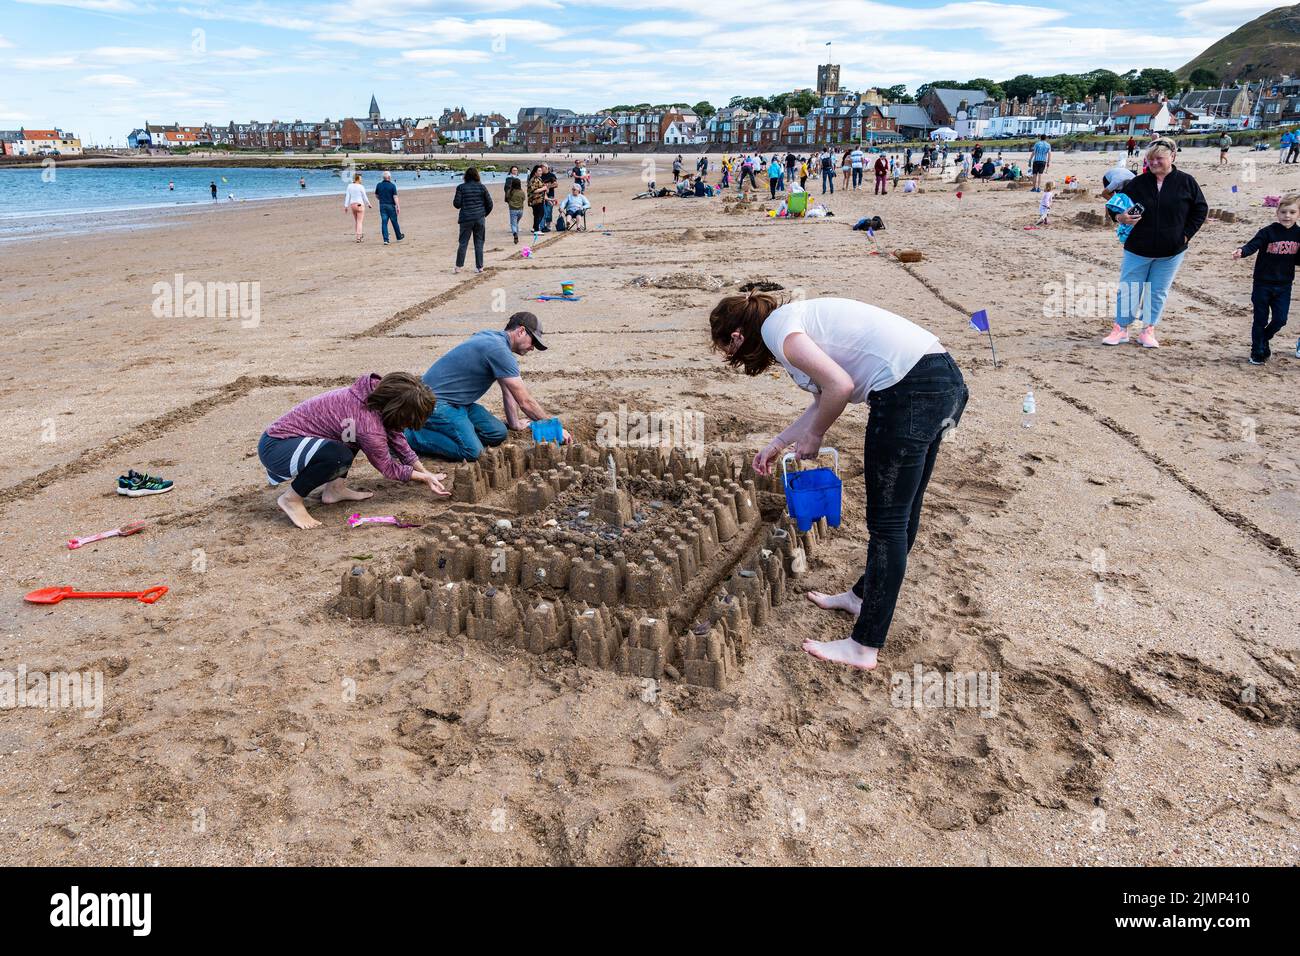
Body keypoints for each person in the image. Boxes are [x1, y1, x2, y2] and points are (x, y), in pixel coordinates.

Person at [708, 292, 967, 671]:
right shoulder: (795, 320)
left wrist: (815, 437)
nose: (734, 359)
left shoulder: (778, 329)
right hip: (943, 382)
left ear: (736, 337)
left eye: (728, 350)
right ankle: (863, 597)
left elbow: (840, 388)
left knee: (888, 525)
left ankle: (864, 646)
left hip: (909, 394)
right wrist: (780, 442)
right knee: (904, 512)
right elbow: (821, 399)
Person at [258, 372, 447, 530]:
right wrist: (423, 478)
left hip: (294, 443)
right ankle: (291, 499)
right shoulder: (368, 424)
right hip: (277, 446)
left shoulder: (375, 398)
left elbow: (396, 437)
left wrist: (424, 472)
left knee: (348, 438)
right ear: (397, 410)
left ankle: (334, 490)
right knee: (338, 456)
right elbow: (387, 467)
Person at [405, 313, 570, 462]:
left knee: (497, 433)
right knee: (472, 451)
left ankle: (456, 430)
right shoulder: (499, 350)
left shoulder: (491, 338)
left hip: (459, 404)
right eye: (533, 341)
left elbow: (509, 390)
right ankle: (409, 436)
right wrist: (554, 427)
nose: (532, 347)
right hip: (433, 403)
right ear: (521, 331)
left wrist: (514, 423)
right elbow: (525, 402)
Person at [1103, 138, 1208, 349]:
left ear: (1172, 157)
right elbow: (1115, 206)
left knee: (1157, 291)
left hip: (1171, 251)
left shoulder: (1187, 182)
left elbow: (1200, 209)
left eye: (1159, 158)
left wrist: (1185, 235)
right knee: (1129, 289)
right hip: (1137, 248)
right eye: (1150, 159)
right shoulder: (1138, 182)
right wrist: (1120, 217)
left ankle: (1147, 330)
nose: (1154, 163)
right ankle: (1121, 329)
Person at [1233, 193, 1300, 364]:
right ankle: (1257, 351)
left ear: (1298, 214)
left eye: (1292, 212)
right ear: (1277, 213)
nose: (1287, 216)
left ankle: (1264, 339)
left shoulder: (1299, 234)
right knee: (1260, 319)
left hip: (1284, 285)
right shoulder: (1268, 232)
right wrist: (1242, 251)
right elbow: (1253, 244)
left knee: (1280, 320)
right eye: (1284, 212)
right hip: (1263, 283)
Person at [453, 166, 493, 274]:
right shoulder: (482, 187)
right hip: (479, 218)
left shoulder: (461, 187)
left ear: (466, 176)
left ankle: (458, 266)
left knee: (463, 243)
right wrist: (483, 214)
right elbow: (490, 204)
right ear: (477, 176)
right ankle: (479, 267)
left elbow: (456, 204)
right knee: (479, 242)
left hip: (466, 218)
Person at [375, 170, 403, 244]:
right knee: (394, 221)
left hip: (382, 205)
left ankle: (386, 239)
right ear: (389, 177)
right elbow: (395, 197)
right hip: (390, 205)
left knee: (384, 222)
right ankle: (399, 236)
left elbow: (377, 195)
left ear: (383, 177)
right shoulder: (392, 185)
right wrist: (398, 206)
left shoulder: (379, 185)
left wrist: (381, 199)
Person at [344, 172, 371, 242]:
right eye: (361, 178)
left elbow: (347, 196)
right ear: (358, 179)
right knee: (359, 222)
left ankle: (358, 235)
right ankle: (359, 237)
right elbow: (364, 197)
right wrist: (368, 204)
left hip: (352, 205)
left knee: (357, 221)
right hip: (360, 205)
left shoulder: (349, 186)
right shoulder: (361, 186)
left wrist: (346, 206)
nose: (361, 180)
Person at [504, 165, 526, 245]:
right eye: (514, 170)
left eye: (516, 170)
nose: (515, 171)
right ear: (511, 171)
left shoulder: (517, 180)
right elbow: (506, 189)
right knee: (515, 217)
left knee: (514, 219)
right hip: (515, 202)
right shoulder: (509, 179)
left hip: (514, 203)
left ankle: (515, 229)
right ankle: (515, 229)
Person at [527, 164, 548, 235]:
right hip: (535, 200)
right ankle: (536, 230)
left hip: (540, 199)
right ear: (535, 172)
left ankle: (534, 227)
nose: (541, 172)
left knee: (539, 214)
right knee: (539, 214)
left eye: (541, 171)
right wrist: (544, 188)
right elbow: (534, 190)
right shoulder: (533, 179)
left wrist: (544, 188)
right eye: (539, 171)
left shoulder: (539, 178)